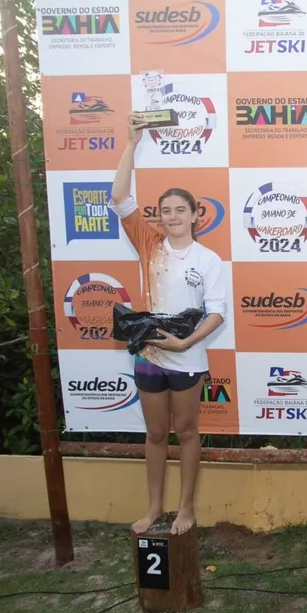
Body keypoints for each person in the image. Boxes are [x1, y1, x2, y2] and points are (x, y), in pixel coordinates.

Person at [109, 112, 227, 535]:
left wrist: (184, 344)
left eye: (181, 210)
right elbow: (119, 197)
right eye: (165, 210)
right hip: (149, 357)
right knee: (156, 435)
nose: (173, 216)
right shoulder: (149, 243)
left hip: (188, 358)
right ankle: (155, 507)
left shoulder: (208, 260)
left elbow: (217, 312)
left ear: (197, 215)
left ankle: (186, 509)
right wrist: (130, 143)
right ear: (157, 217)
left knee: (188, 433)